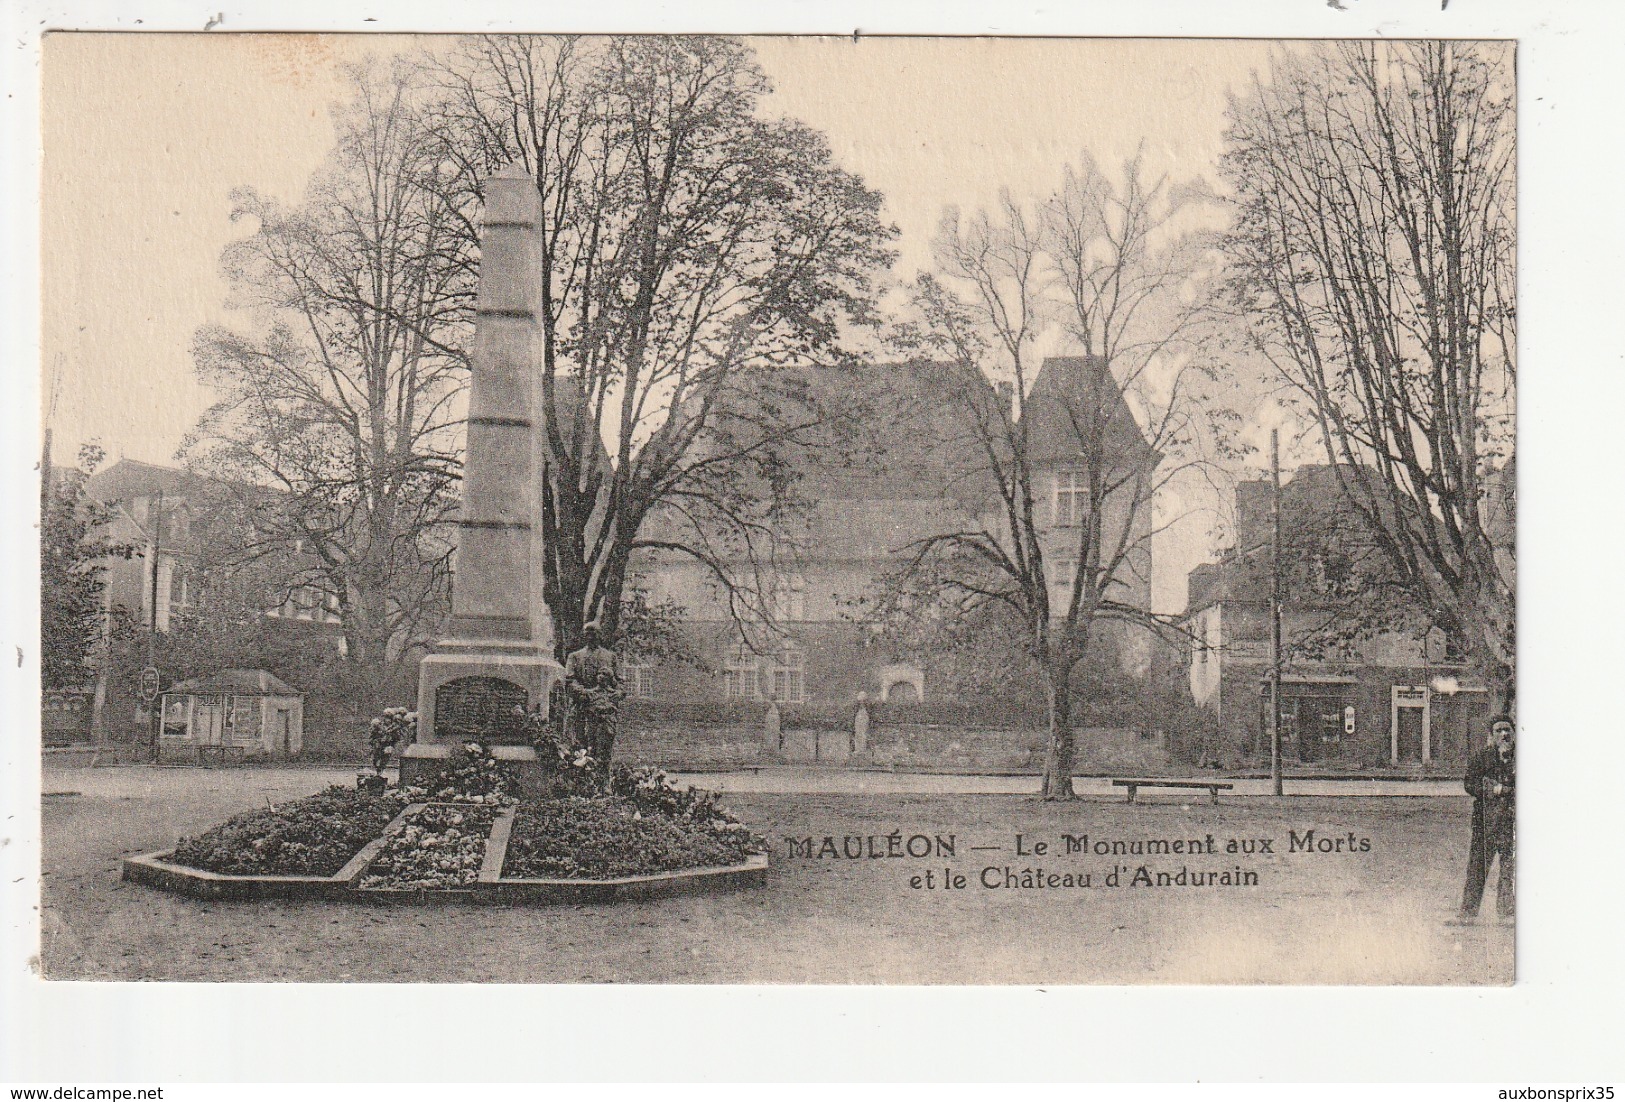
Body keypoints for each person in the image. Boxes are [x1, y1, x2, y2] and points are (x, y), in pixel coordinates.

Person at [1455, 713, 1516, 924]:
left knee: (1510, 869)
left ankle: (1507, 913)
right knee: (1477, 868)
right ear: (1491, 735)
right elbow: (1469, 784)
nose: (1504, 734)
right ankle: (1468, 913)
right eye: (1499, 730)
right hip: (1485, 823)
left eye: (1508, 729)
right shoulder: (1481, 757)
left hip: (1511, 823)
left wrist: (1508, 790)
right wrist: (1491, 789)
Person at [564, 620, 621, 779]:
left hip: (604, 710)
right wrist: (585, 692)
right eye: (587, 632)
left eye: (594, 632)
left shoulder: (610, 657)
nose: (590, 636)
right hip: (582, 707)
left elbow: (620, 682)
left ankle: (603, 782)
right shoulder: (575, 657)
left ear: (600, 635)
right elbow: (570, 680)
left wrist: (618, 693)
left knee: (603, 747)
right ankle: (580, 782)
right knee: (580, 747)